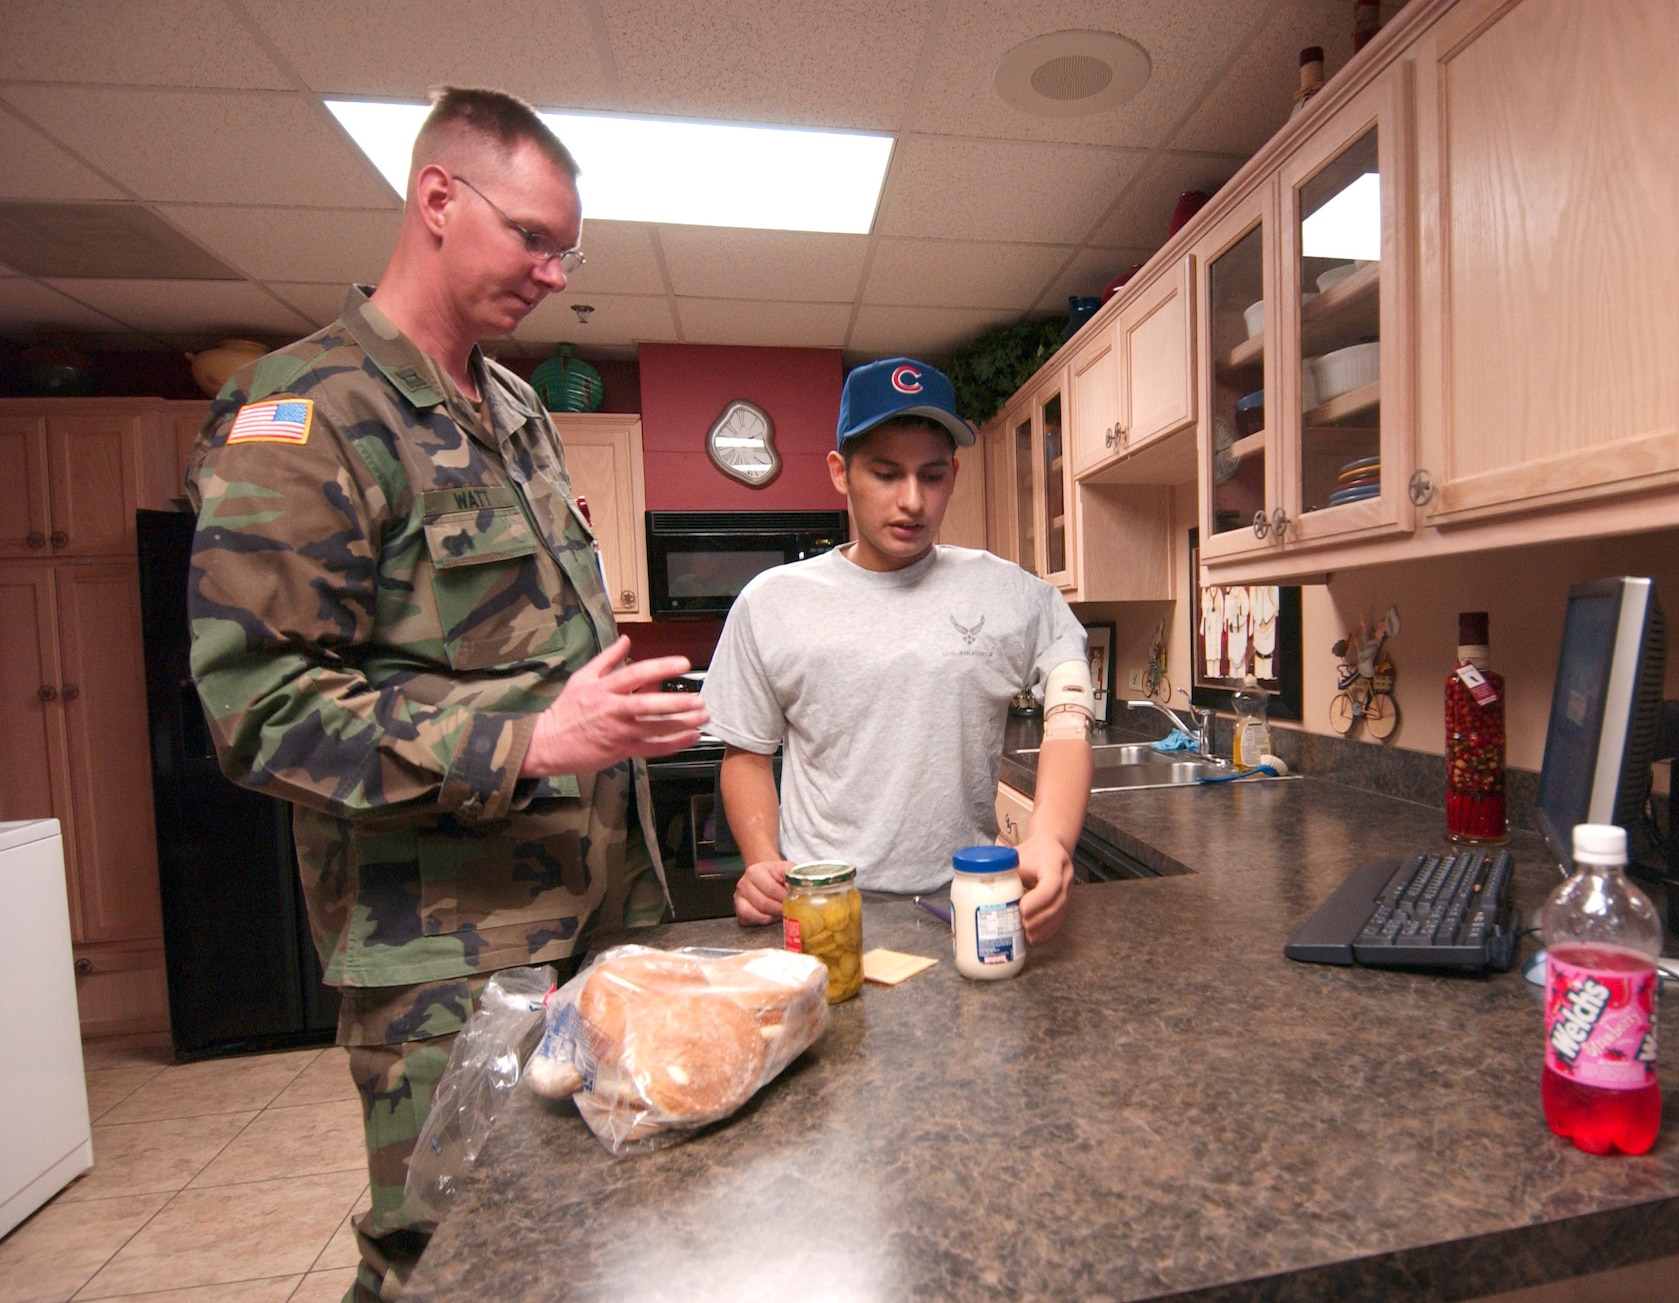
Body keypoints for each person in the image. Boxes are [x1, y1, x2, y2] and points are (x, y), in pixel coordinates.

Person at [183, 87, 708, 1303]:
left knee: (593, 1211)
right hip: (444, 949)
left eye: (565, 248)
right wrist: (531, 738)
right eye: (530, 235)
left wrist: (599, 716)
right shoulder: (308, 413)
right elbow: (259, 710)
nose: (551, 269)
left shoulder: (517, 411)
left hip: (595, 905)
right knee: (452, 1249)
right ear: (435, 199)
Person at [703, 358, 1095, 940]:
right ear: (840, 472)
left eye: (932, 476)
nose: (912, 500)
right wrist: (762, 860)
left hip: (967, 903)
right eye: (886, 474)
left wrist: (1050, 839)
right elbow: (747, 754)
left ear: (954, 475)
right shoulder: (772, 603)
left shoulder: (1010, 592)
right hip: (824, 906)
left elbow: (1069, 717)